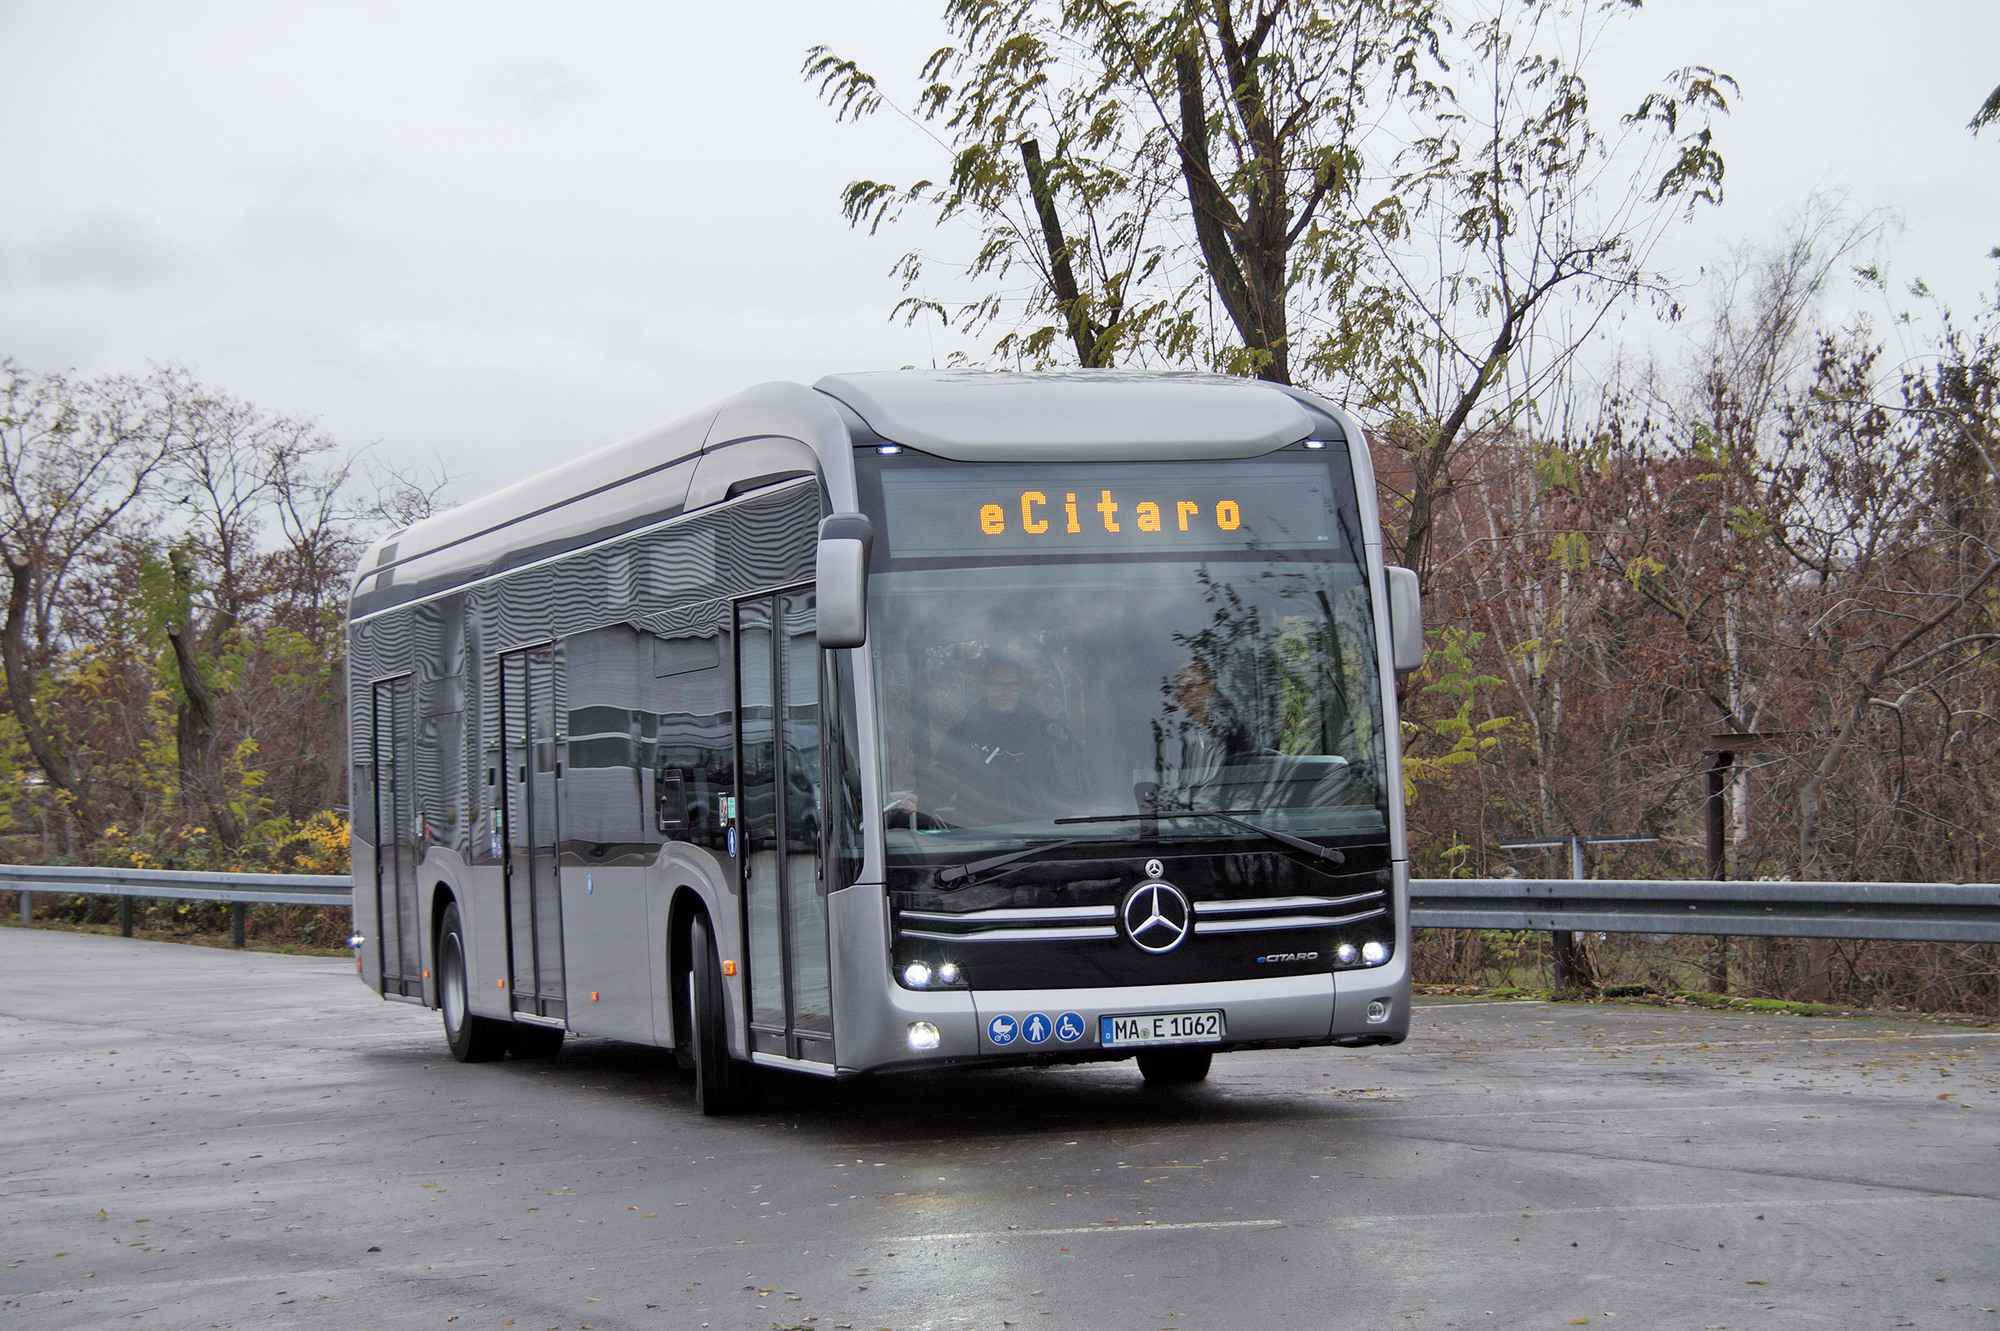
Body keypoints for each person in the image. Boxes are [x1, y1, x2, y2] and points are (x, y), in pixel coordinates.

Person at [931, 656, 1073, 826]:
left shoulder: (1040, 731)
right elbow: (942, 780)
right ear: (983, 687)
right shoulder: (962, 733)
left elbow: (1060, 783)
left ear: (1020, 688)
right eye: (997, 685)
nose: (1005, 691)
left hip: (1038, 836)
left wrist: (1075, 811)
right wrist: (918, 799)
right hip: (980, 838)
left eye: (1012, 685)